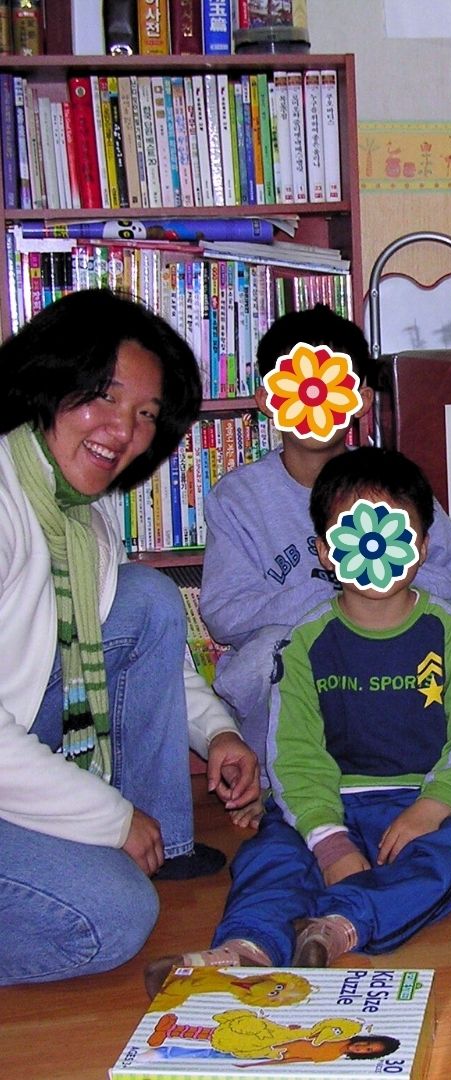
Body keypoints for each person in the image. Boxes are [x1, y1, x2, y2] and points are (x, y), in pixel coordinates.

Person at [146, 446, 451, 988]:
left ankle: (339, 926)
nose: (375, 551)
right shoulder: (305, 641)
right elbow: (295, 753)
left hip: (418, 799)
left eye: (396, 534)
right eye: (353, 537)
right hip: (327, 804)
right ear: (326, 554)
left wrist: (433, 806)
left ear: (422, 548)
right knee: (271, 852)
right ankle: (248, 945)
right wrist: (329, 842)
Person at [0, 290, 259, 987]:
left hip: (14, 734)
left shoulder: (78, 508)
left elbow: (140, 641)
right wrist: (108, 818)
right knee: (108, 916)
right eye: (105, 397)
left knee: (143, 596)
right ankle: (124, 844)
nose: (123, 430)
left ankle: (163, 844)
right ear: (50, 379)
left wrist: (219, 735)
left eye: (146, 414)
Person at [200, 304, 451, 793]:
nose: (315, 401)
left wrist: (384, 586)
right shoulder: (238, 498)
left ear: (361, 399)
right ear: (271, 398)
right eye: (300, 387)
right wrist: (324, 600)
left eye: (333, 386)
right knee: (274, 652)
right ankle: (273, 782)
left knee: (446, 639)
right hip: (299, 664)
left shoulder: (393, 485)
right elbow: (225, 613)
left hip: (387, 652)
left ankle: (415, 778)